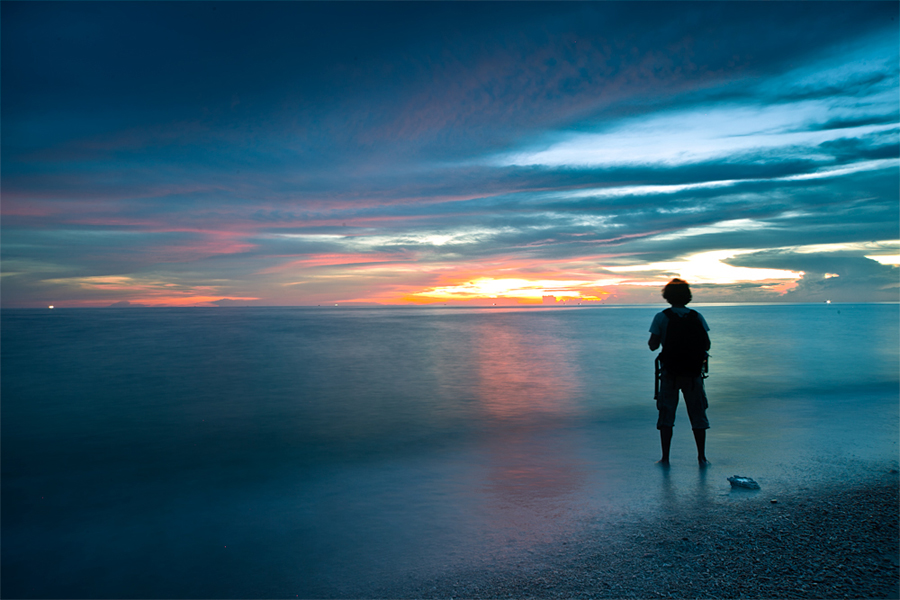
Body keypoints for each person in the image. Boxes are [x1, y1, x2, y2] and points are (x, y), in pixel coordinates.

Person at [648, 278, 711, 466]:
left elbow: (653, 346)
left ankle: (665, 458)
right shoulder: (696, 316)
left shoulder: (662, 317)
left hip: (670, 374)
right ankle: (701, 457)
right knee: (698, 415)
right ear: (687, 296)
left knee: (667, 415)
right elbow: (707, 344)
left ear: (667, 296)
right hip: (693, 374)